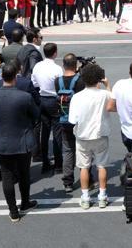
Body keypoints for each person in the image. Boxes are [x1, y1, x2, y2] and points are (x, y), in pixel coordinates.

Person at [0, 63, 40, 222]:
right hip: (23, 141)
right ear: (16, 76)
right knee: (24, 174)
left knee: (7, 176)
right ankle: (26, 202)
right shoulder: (25, 97)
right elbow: (36, 115)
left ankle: (13, 211)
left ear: (2, 77)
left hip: (2, 141)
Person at [67, 63, 115, 209]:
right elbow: (113, 105)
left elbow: (72, 120)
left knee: (84, 167)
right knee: (101, 166)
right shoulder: (105, 94)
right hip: (100, 135)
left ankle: (86, 197)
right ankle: (102, 196)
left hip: (82, 137)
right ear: (99, 78)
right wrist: (108, 86)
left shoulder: (77, 97)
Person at [31, 42, 63, 173]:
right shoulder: (57, 69)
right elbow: (60, 86)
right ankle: (58, 164)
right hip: (54, 100)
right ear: (55, 53)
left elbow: (34, 83)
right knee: (57, 132)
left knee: (44, 132)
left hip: (42, 99)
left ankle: (45, 162)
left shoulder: (38, 66)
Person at [56, 53, 86, 193]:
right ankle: (86, 177)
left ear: (63, 65)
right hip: (78, 120)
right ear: (76, 65)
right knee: (81, 149)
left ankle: (67, 181)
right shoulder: (80, 81)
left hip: (63, 118)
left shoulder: (58, 81)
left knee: (67, 149)